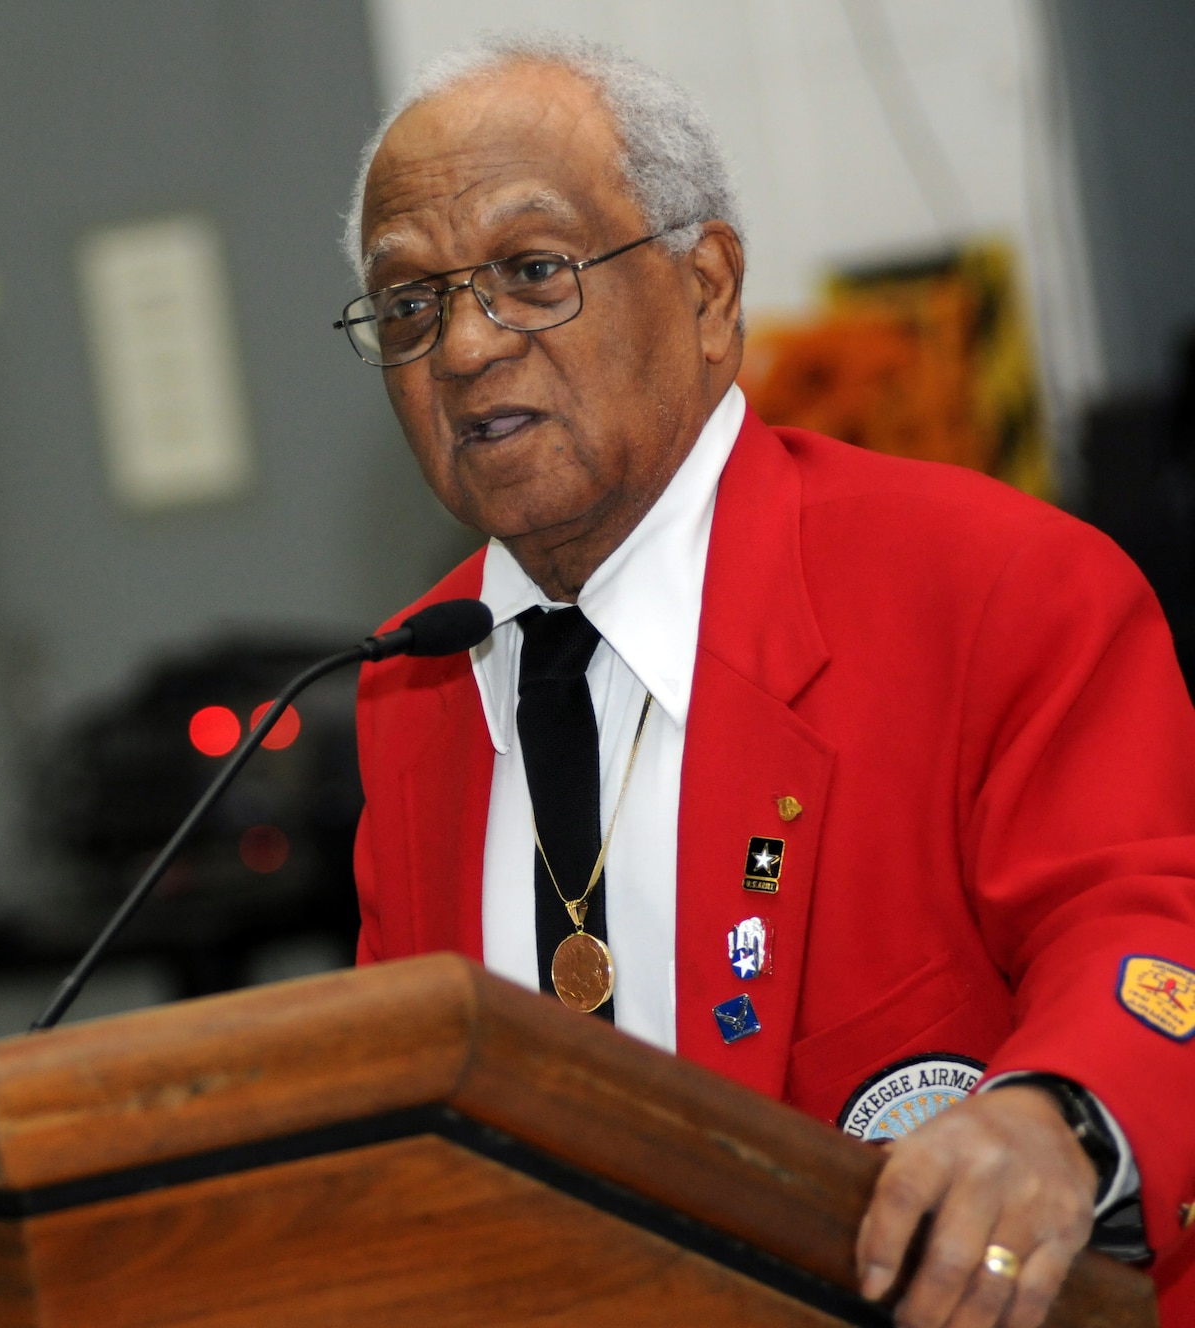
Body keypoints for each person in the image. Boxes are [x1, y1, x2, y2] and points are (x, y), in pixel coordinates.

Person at [341, 32, 1195, 1328]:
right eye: (409, 302)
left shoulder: (989, 583)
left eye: (530, 271)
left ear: (708, 292)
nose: (463, 347)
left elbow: (1150, 921)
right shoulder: (412, 684)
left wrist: (1052, 1123)